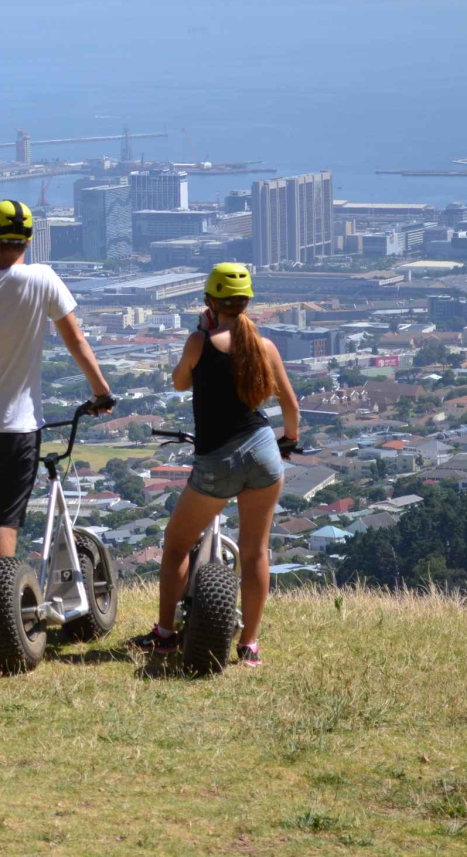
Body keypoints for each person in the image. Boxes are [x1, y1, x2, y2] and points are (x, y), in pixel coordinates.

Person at [0, 199, 115, 647]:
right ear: (29, 240)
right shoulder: (43, 280)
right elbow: (75, 339)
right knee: (4, 523)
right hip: (17, 427)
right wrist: (102, 391)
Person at [132, 262, 301, 667]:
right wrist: (288, 442)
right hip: (263, 452)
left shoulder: (199, 342)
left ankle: (167, 635)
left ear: (210, 301)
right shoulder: (265, 347)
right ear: (246, 302)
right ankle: (249, 646)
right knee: (255, 553)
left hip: (217, 460)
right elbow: (290, 407)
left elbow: (179, 382)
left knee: (175, 547)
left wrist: (203, 331)